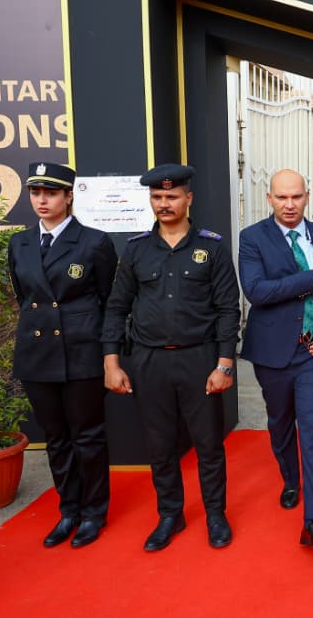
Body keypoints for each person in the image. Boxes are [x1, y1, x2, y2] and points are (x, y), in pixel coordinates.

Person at [102, 164, 240, 552]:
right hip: (150, 363)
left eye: (172, 196)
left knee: (208, 446)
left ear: (188, 199)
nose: (164, 203)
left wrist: (224, 363)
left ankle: (215, 514)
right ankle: (170, 514)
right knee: (159, 446)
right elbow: (116, 307)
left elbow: (228, 310)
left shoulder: (212, 248)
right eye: (157, 197)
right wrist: (111, 362)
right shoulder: (136, 250)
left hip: (200, 360)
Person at [239, 169, 313, 548]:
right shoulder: (252, 238)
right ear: (269, 199)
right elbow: (257, 291)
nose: (289, 205)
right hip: (273, 352)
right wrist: (312, 278)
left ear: (307, 197)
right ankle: (291, 479)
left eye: (296, 197)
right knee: (281, 423)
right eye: (282, 197)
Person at [7, 162, 118, 548]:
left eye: (51, 193)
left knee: (87, 436)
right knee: (55, 438)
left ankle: (94, 512)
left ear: (69, 196)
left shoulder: (94, 242)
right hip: (38, 354)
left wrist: (109, 354)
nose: (42, 200)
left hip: (80, 351)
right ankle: (68, 509)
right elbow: (25, 297)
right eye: (35, 192)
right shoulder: (20, 243)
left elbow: (109, 303)